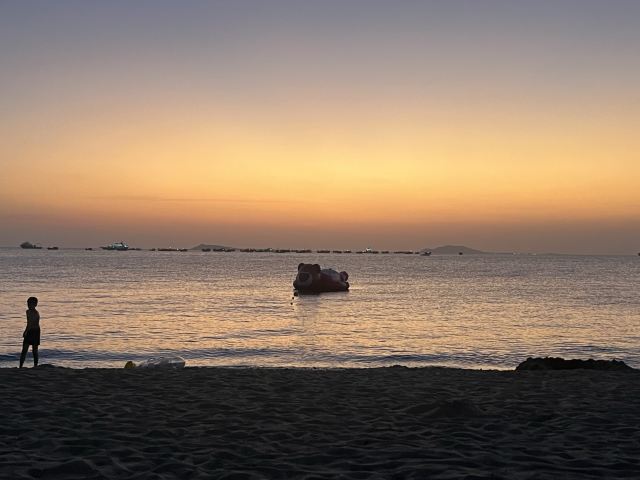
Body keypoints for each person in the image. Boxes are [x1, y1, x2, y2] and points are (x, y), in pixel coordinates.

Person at [20, 297, 40, 368]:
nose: (28, 305)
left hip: (34, 331)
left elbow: (30, 323)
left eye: (30, 303)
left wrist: (25, 331)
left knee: (33, 350)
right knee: (26, 350)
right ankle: (21, 366)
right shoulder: (31, 312)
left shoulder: (32, 312)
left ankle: (35, 366)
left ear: (35, 304)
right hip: (34, 330)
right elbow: (29, 323)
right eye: (28, 303)